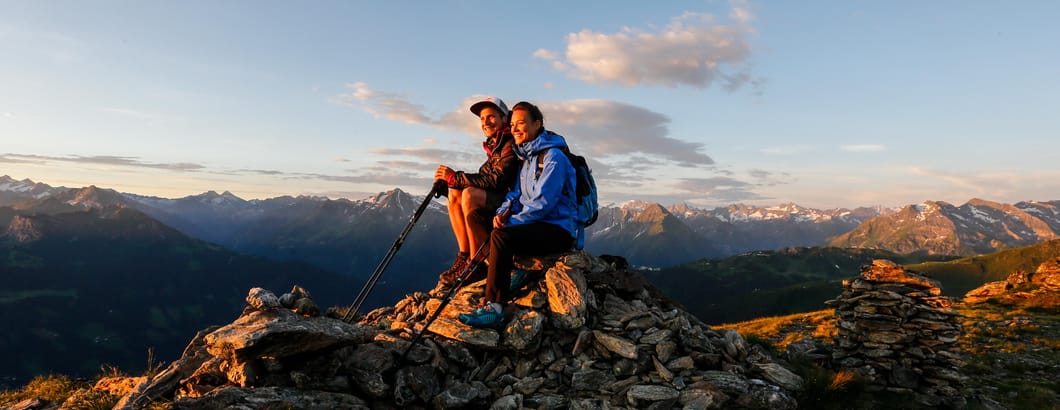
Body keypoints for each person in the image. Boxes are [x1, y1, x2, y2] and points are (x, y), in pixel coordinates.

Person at [459, 101, 579, 328]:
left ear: (537, 124)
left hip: (557, 230)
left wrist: (511, 222)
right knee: (478, 217)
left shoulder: (553, 158)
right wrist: (504, 211)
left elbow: (543, 203)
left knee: (501, 236)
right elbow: (515, 193)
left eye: (521, 123)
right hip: (535, 224)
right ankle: (507, 271)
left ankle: (494, 306)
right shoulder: (527, 157)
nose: (514, 129)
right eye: (512, 124)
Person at [434, 96, 519, 286]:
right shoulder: (496, 145)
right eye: (482, 119)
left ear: (504, 119)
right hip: (501, 198)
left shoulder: (510, 143)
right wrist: (450, 182)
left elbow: (496, 180)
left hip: (513, 203)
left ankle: (476, 263)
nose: (485, 122)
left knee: (469, 193)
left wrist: (455, 177)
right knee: (456, 192)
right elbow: (484, 176)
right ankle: (464, 256)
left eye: (491, 117)